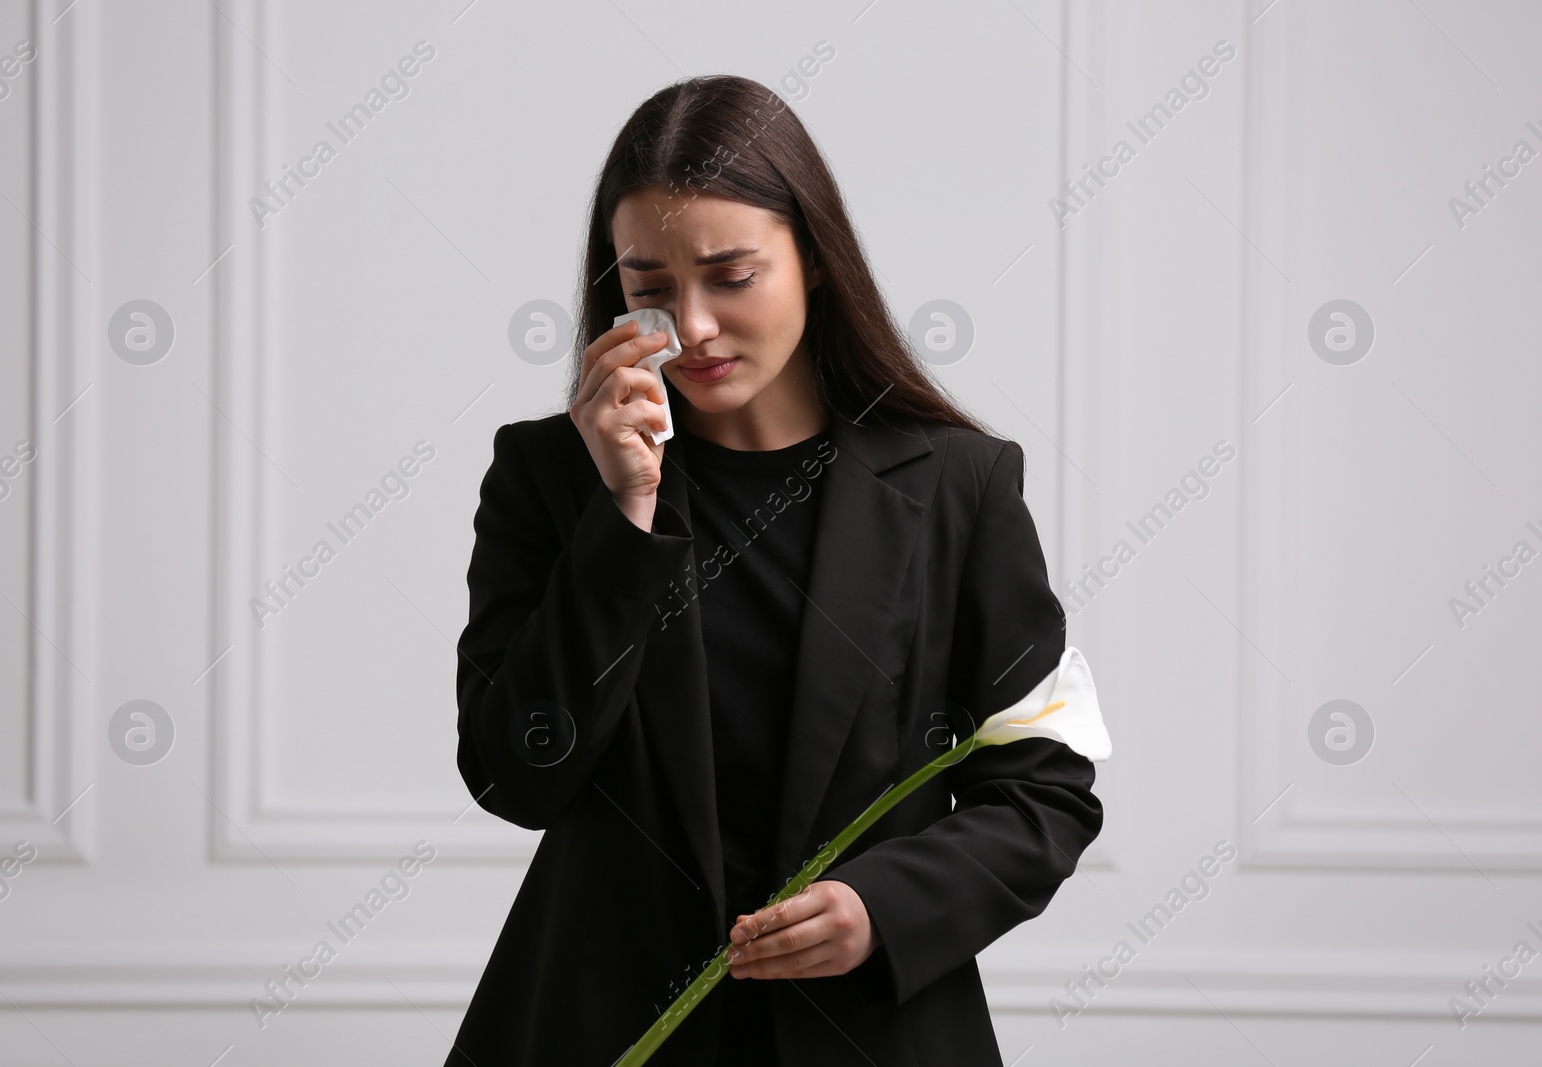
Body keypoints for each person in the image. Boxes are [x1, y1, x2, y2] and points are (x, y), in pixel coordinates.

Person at [445, 74, 1103, 1067]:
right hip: (601, 1022)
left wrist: (883, 905)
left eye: (731, 274)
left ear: (816, 260)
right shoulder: (549, 475)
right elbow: (513, 775)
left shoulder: (959, 486)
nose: (694, 326)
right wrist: (621, 515)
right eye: (650, 286)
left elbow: (1044, 786)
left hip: (871, 1032)